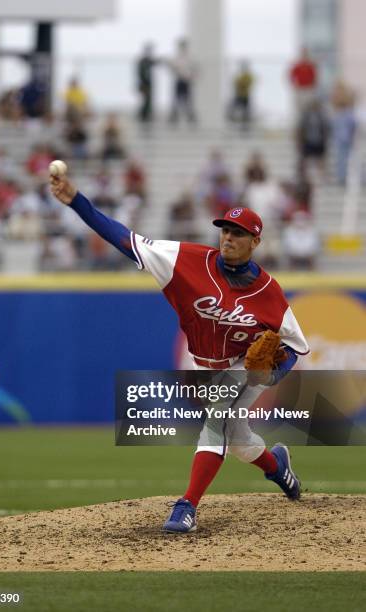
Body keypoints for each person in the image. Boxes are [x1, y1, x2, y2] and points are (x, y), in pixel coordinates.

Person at [50, 172, 310, 534]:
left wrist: (271, 376)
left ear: (256, 241)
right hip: (203, 363)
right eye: (225, 230)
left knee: (217, 419)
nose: (229, 238)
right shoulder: (183, 260)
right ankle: (277, 466)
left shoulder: (270, 293)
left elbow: (297, 346)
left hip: (241, 368)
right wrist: (77, 200)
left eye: (238, 233)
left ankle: (186, 505)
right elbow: (123, 239)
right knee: (236, 439)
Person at [168, 39, 197, 124]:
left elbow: (194, 69)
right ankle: (174, 117)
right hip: (179, 80)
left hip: (186, 81)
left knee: (188, 100)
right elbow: (173, 67)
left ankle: (190, 117)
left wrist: (191, 76)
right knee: (176, 100)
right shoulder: (177, 57)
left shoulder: (189, 57)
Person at [289, 47, 317, 117]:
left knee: (309, 106)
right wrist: (295, 85)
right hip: (300, 89)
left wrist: (312, 86)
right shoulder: (297, 65)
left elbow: (314, 77)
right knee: (299, 108)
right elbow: (292, 76)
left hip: (308, 89)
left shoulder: (310, 65)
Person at [136, 43, 159, 123]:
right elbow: (140, 74)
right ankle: (143, 116)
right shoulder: (142, 61)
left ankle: (146, 116)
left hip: (148, 83)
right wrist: (142, 84)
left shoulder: (148, 61)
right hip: (144, 84)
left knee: (148, 100)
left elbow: (155, 62)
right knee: (145, 100)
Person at [229, 60, 254, 130]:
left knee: (245, 112)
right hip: (239, 95)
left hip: (245, 96)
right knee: (234, 109)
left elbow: (247, 83)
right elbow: (236, 83)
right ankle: (233, 121)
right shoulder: (240, 76)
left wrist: (242, 83)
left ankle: (245, 126)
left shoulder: (248, 76)